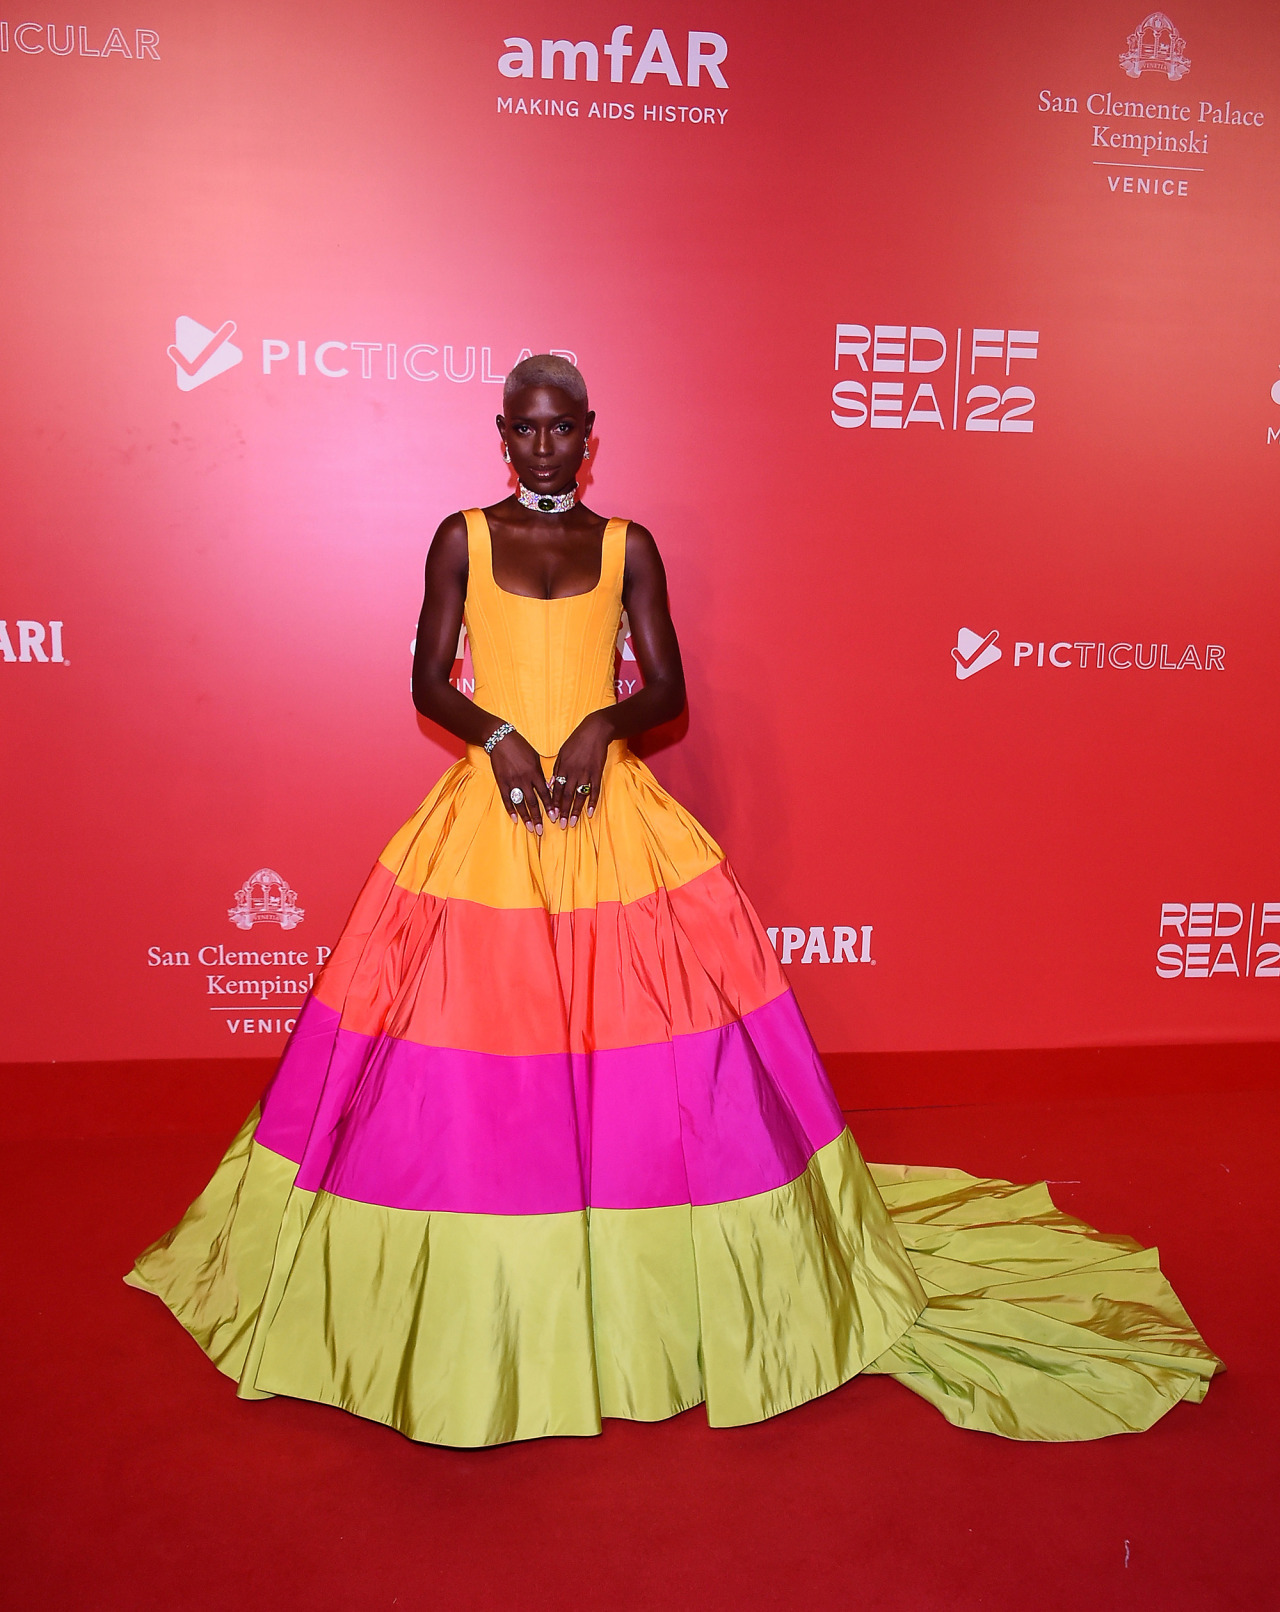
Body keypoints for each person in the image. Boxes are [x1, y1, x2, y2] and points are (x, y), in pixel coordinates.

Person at [128, 356, 1220, 1446]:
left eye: (564, 430)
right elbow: (427, 679)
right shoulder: (457, 534)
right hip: (489, 820)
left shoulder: (626, 547)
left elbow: (667, 688)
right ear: (500, 433)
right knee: (476, 1062)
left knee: (645, 1059)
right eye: (527, 429)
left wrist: (603, 726)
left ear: (589, 433)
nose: (545, 446)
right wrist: (497, 738)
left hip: (611, 821)